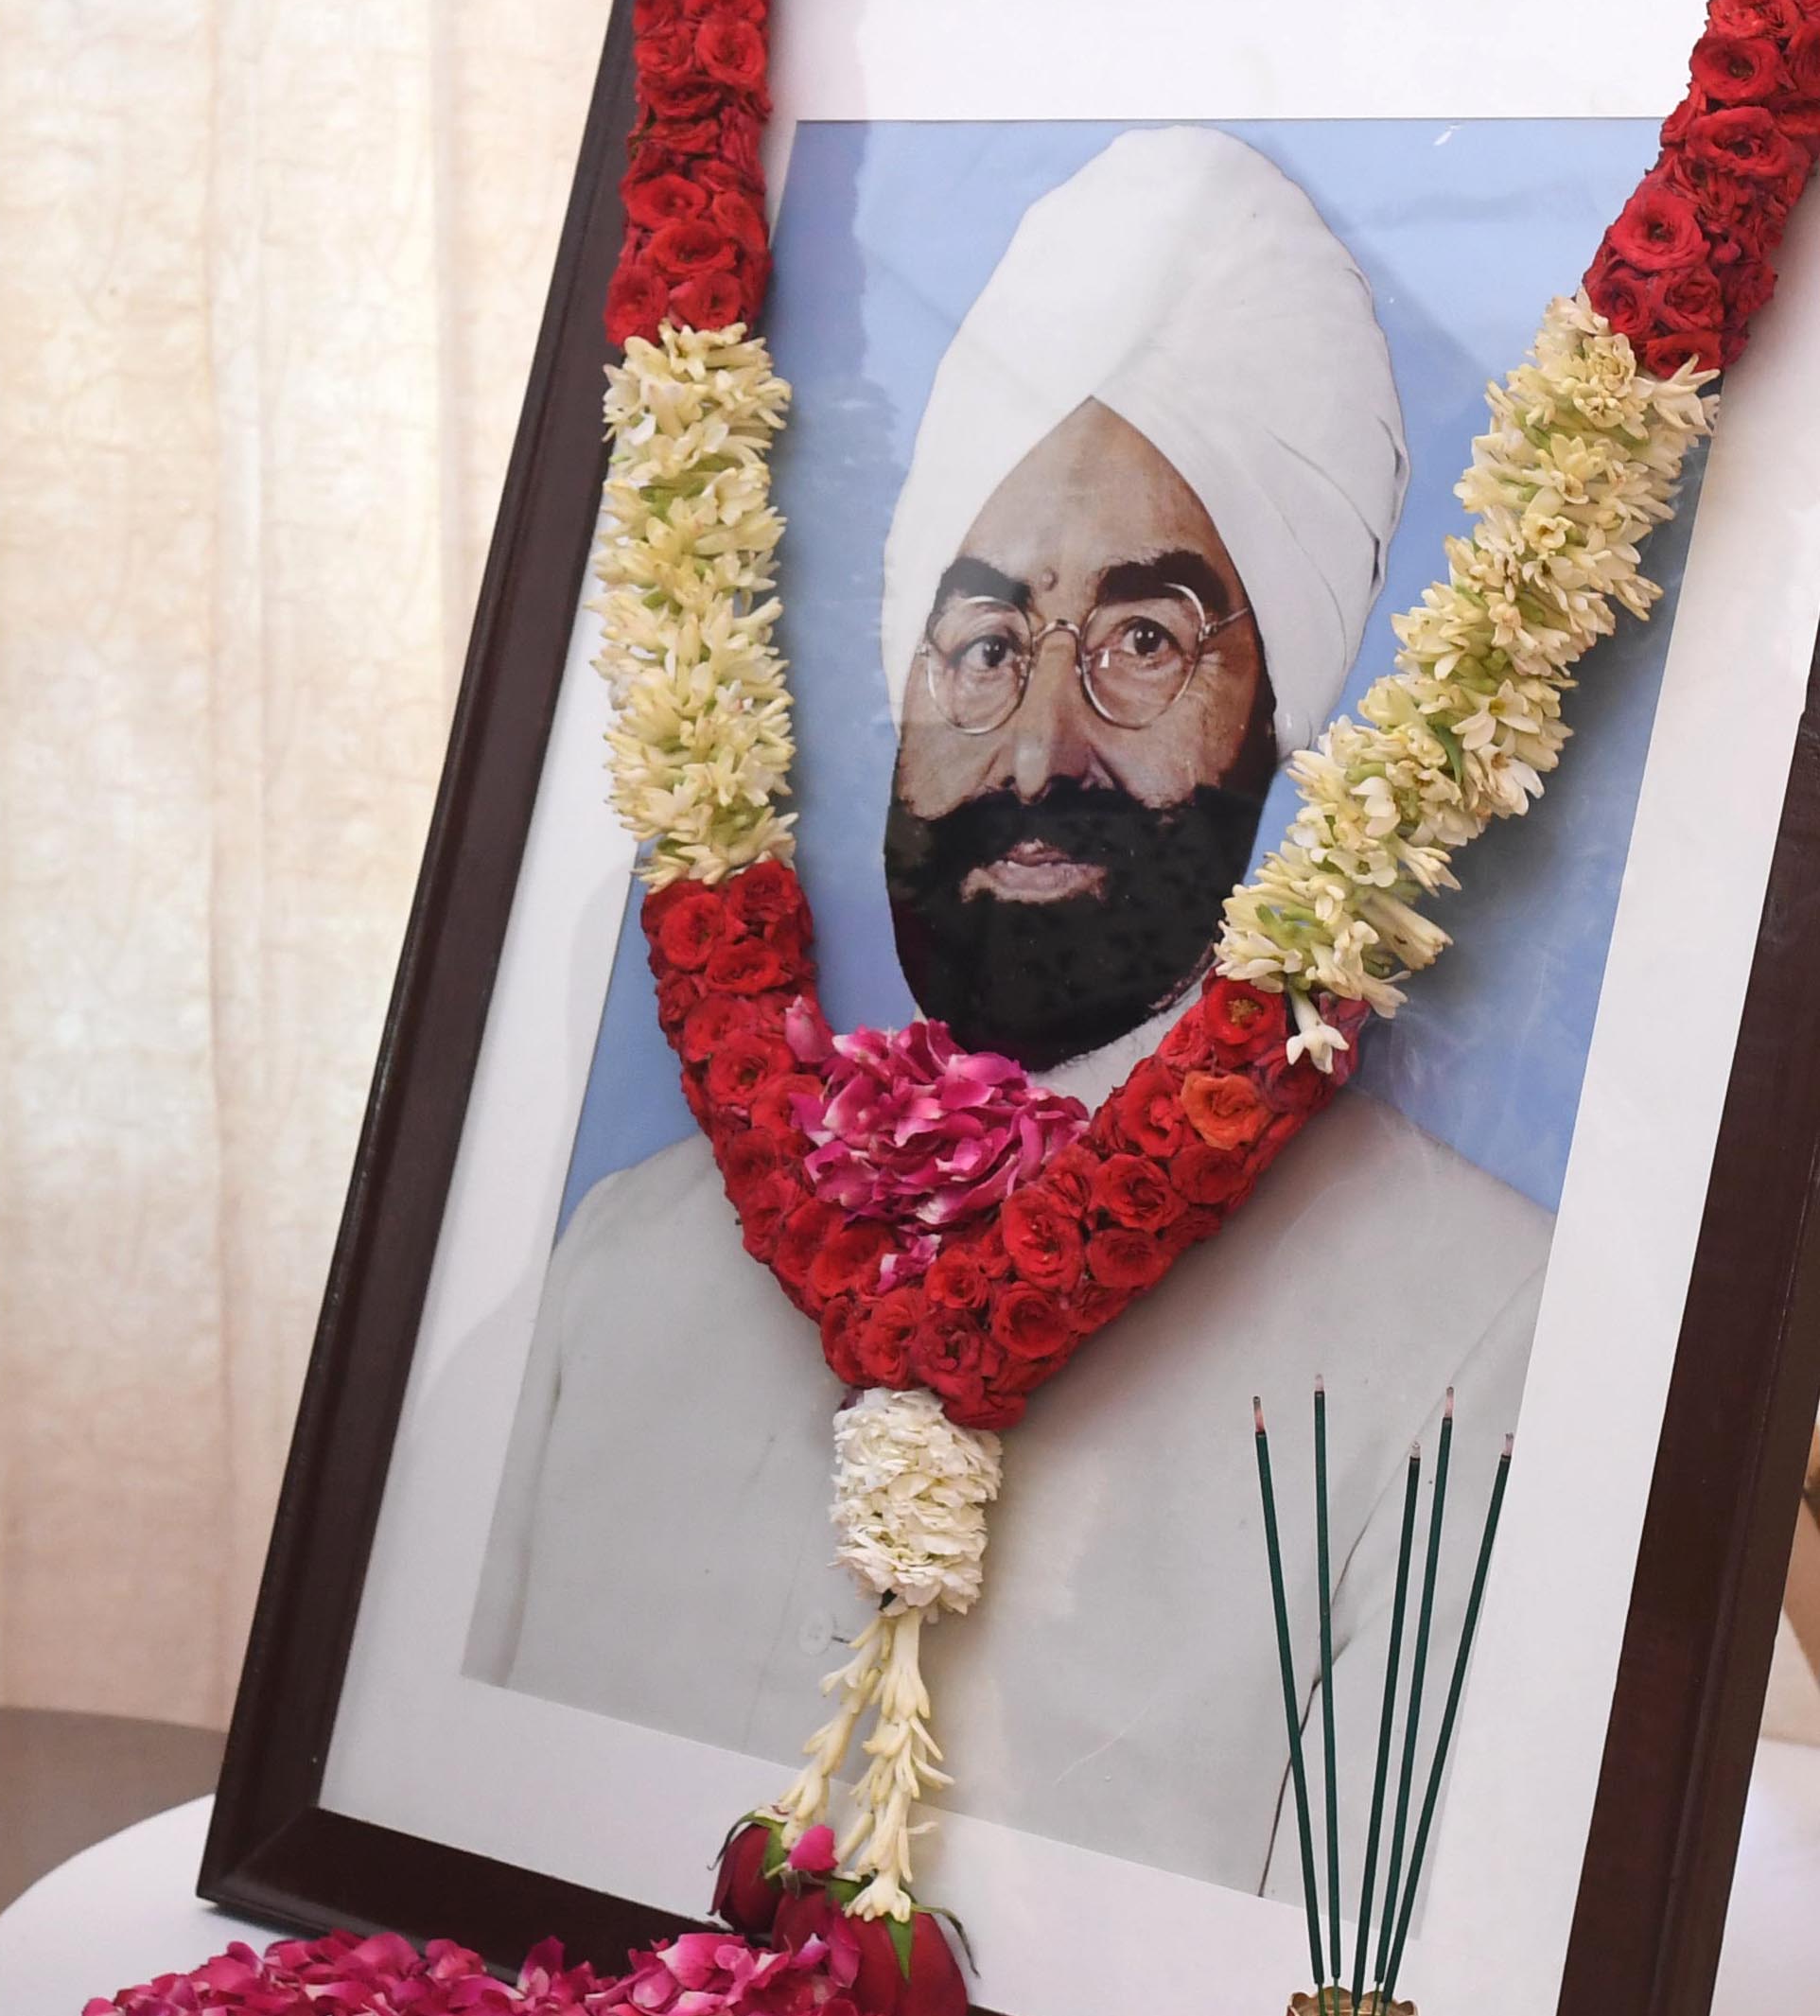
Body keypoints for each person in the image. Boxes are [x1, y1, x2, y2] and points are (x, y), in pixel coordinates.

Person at [473, 130, 1548, 1898]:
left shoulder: (1477, 1337)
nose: (1040, 748)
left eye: (1145, 644)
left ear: (1282, 711)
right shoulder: (628, 1263)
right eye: (982, 648)